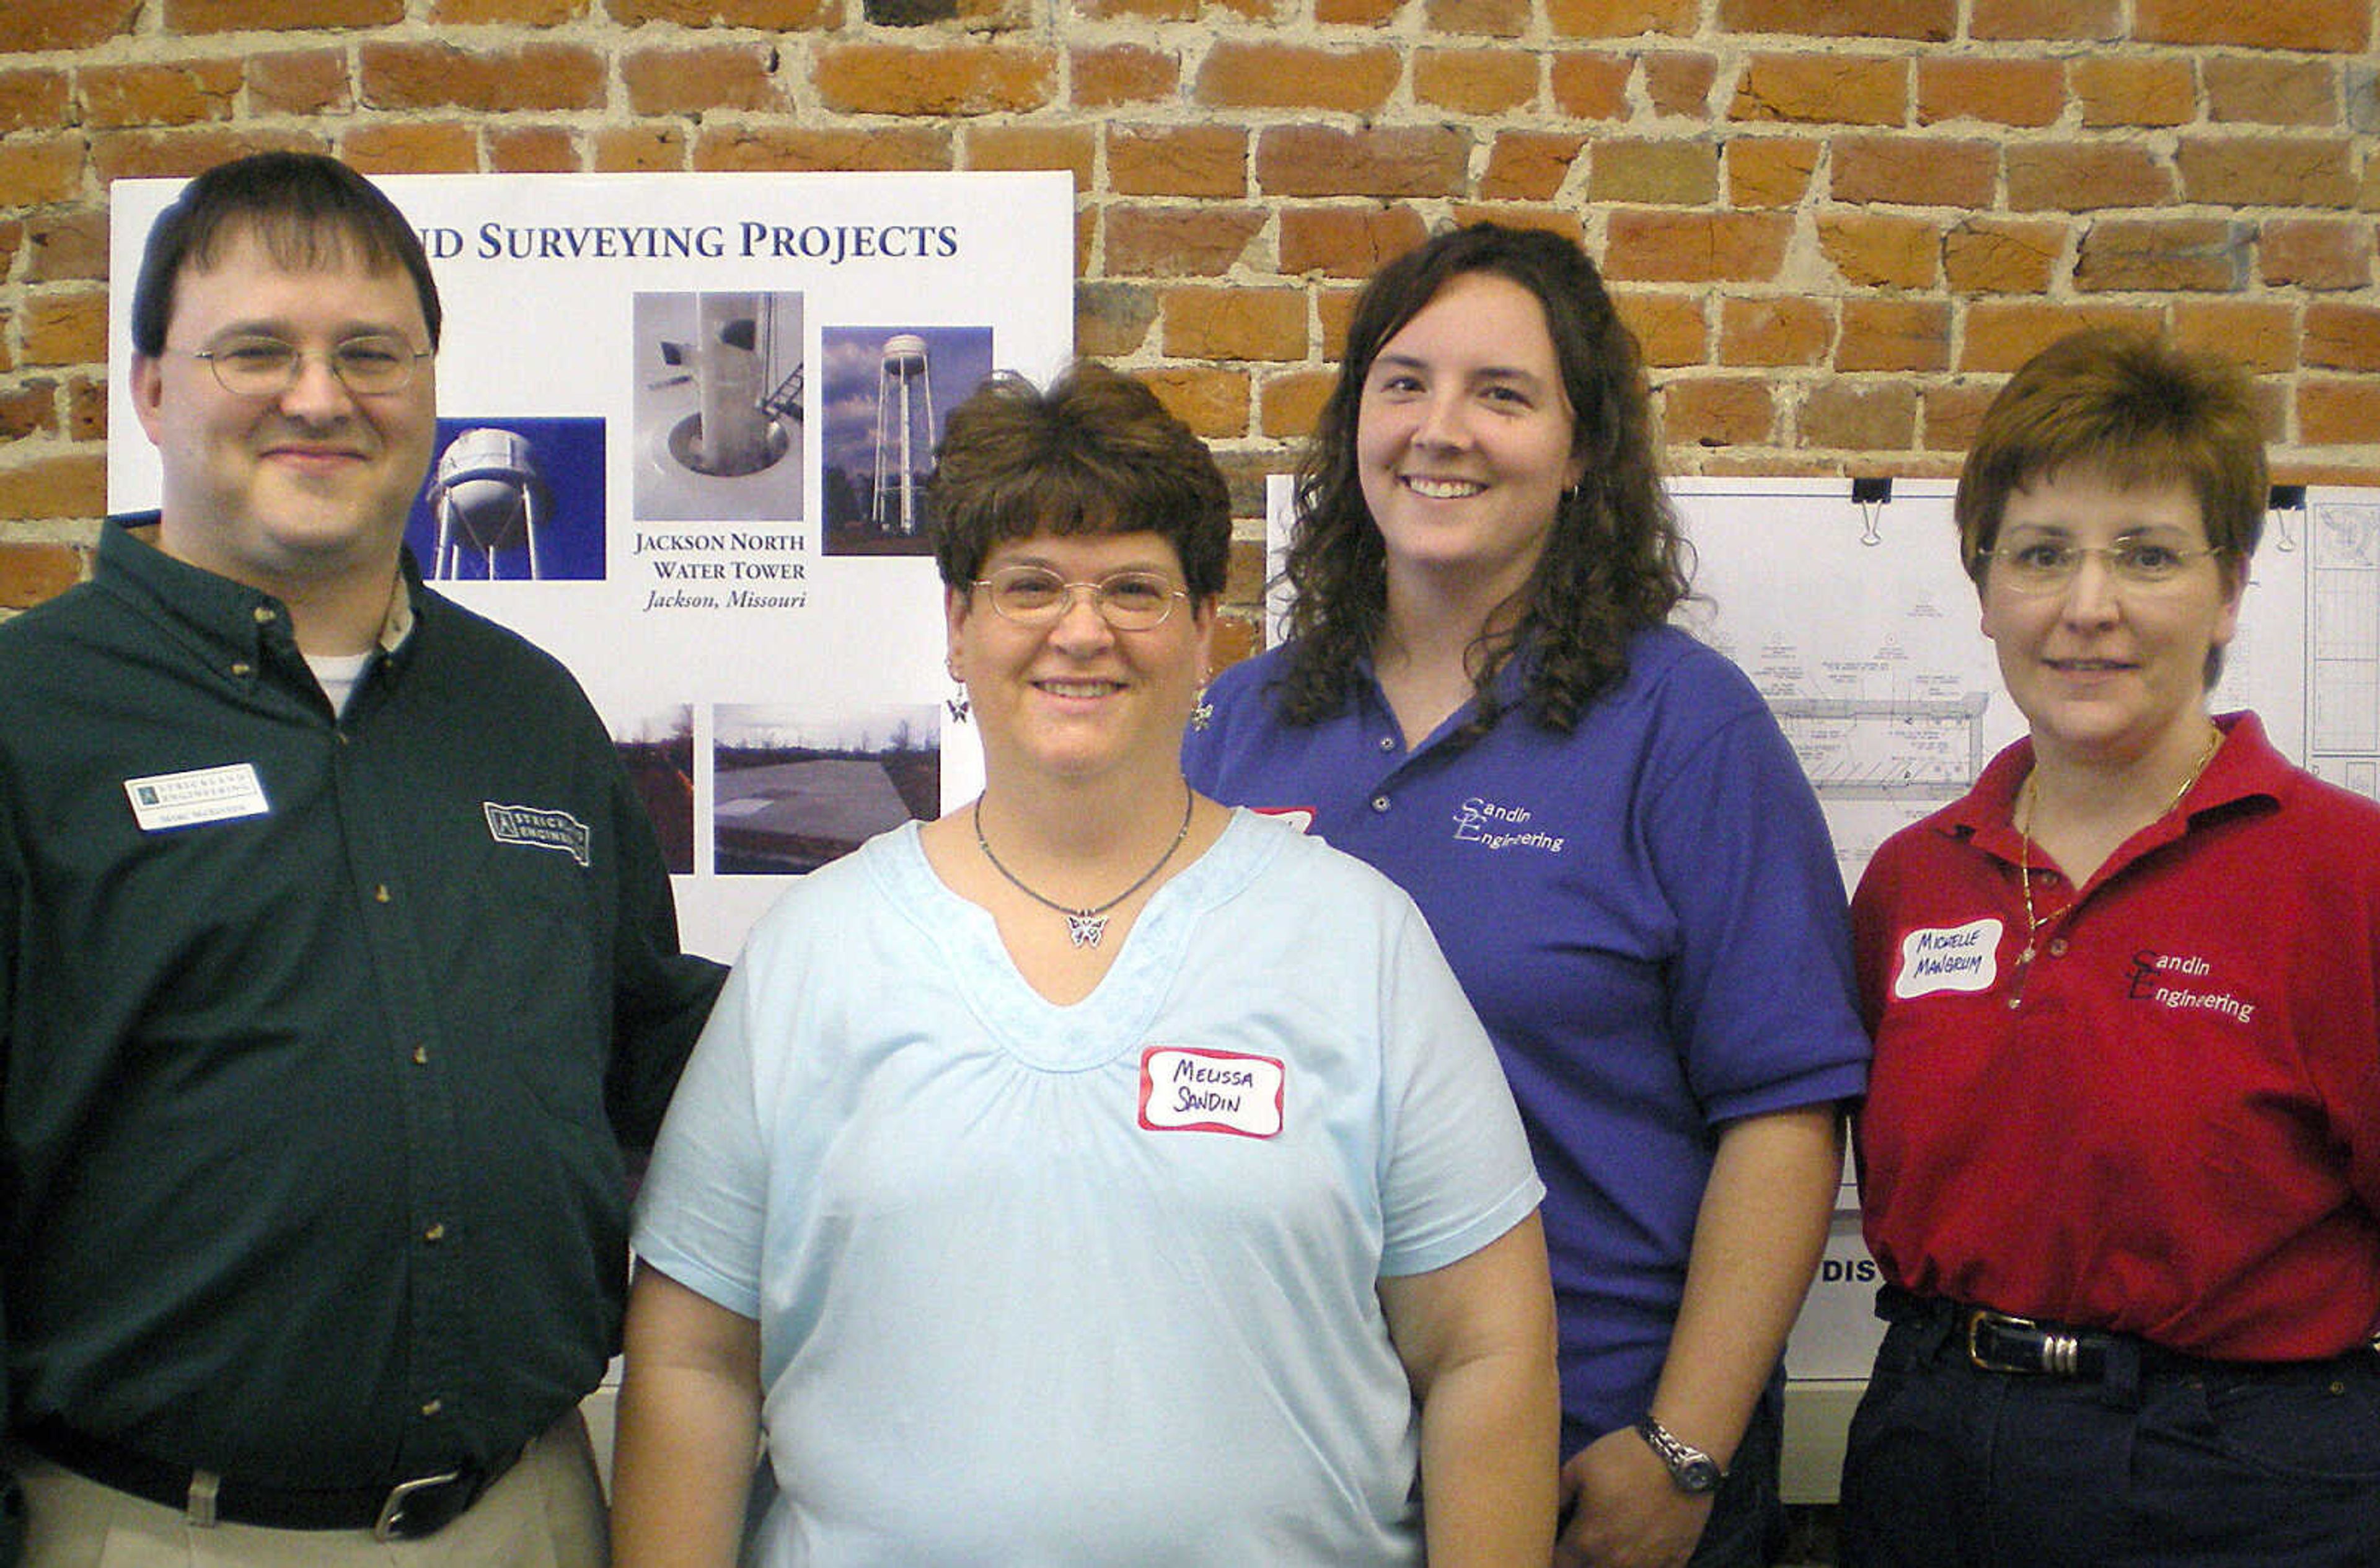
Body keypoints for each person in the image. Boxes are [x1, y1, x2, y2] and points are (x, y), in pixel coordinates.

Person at [610, 363, 1559, 1567]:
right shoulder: (817, 955)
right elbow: (694, 1359)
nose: (1081, 627)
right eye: (1030, 585)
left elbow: (1487, 1346)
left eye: (1134, 588)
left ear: (1208, 629)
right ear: (957, 626)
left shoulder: (1355, 941)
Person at [0, 151, 725, 1564]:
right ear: (149, 389)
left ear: (431, 392)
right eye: (257, 349)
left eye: (370, 353)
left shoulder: (527, 712)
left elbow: (646, 1041)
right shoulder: (31, 719)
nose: (320, 396)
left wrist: (933, 964)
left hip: (529, 1514)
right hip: (159, 1531)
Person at [1183, 222, 1870, 1568]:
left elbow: (1784, 1114)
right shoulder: (1237, 721)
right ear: (1352, 424)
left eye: (1502, 394)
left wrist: (1684, 1445)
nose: (1442, 429)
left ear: (1583, 453)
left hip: (1592, 1459)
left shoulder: (1685, 727)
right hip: (1297, 1456)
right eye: (1404, 382)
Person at [1841, 328, 2380, 1565]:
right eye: (2041, 555)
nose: (2089, 607)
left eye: (2147, 555)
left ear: (2230, 585)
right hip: (1933, 1447)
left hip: (2250, 1477)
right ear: (1984, 589)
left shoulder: (2346, 874)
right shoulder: (1912, 881)